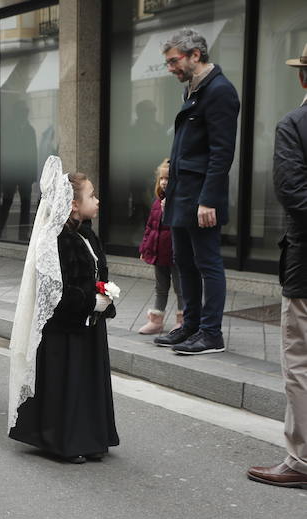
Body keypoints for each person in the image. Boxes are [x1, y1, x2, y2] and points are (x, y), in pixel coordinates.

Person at [8, 157, 119, 464]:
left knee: (87, 381)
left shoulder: (87, 233)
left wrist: (105, 296)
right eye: (92, 196)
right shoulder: (56, 240)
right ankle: (62, 440)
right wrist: (88, 301)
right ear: (73, 205)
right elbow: (55, 292)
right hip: (65, 330)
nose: (97, 200)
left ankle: (91, 436)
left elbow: (97, 273)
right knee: (68, 382)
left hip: (88, 325)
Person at [154, 28, 240, 355]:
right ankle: (189, 326)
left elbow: (222, 153)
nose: (170, 68)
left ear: (195, 55)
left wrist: (208, 200)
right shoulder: (193, 89)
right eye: (168, 62)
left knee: (207, 263)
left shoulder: (219, 91)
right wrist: (168, 197)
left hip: (201, 197)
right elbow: (183, 151)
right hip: (181, 193)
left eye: (174, 61)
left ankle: (211, 334)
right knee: (183, 262)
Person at [247, 44, 307, 489]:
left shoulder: (295, 124)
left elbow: (292, 192)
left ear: (303, 78)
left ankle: (301, 460)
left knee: (301, 361)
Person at [138, 158, 183, 334]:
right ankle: (157, 321)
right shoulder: (157, 202)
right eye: (162, 178)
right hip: (158, 254)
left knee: (180, 288)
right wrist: (145, 249)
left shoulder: (179, 202)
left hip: (175, 254)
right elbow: (150, 227)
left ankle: (183, 320)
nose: (164, 182)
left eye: (168, 179)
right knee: (160, 288)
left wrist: (170, 210)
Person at [0, 103, 37, 240]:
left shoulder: (30, 130)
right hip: (11, 172)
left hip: (25, 173)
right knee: (7, 201)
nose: (24, 116)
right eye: (21, 113)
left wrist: (33, 175)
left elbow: (34, 153)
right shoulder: (9, 129)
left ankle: (23, 234)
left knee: (26, 202)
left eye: (25, 113)